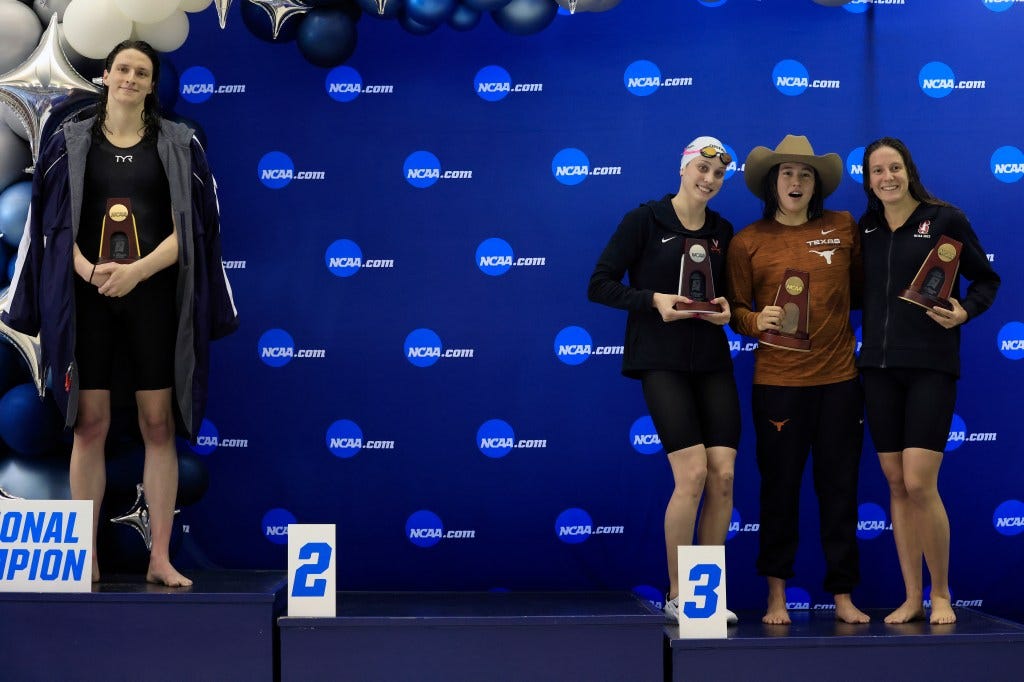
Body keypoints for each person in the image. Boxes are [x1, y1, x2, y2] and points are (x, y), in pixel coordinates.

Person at [2, 40, 238, 586]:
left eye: (142, 72)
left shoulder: (181, 142)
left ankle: (159, 557)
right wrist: (87, 271)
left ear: (153, 85)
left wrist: (136, 271)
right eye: (123, 69)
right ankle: (84, 557)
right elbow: (50, 224)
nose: (131, 78)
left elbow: (197, 231)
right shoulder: (69, 139)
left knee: (159, 426)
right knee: (90, 425)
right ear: (105, 77)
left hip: (154, 300)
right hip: (87, 302)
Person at [589, 136, 740, 625]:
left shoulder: (723, 230)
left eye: (718, 175)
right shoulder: (645, 219)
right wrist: (653, 300)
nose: (709, 180)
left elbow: (731, 300)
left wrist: (726, 312)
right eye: (702, 169)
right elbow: (601, 284)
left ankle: (707, 599)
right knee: (692, 474)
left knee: (723, 477)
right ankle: (681, 595)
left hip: (713, 362)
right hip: (660, 361)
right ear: (683, 167)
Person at [725, 134, 868, 625]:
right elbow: (735, 311)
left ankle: (844, 596)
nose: (796, 181)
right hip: (778, 383)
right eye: (786, 173)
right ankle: (776, 598)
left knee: (840, 490)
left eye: (805, 174)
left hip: (840, 382)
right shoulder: (747, 240)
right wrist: (752, 321)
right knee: (779, 491)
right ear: (771, 182)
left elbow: (870, 288)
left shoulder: (844, 227)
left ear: (817, 184)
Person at [858, 137, 999, 625]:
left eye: (893, 167)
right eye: (876, 171)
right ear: (868, 180)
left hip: (930, 367)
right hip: (875, 370)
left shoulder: (946, 220)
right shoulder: (867, 228)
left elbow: (986, 280)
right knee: (896, 484)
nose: (886, 177)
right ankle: (911, 596)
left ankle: (942, 594)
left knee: (920, 482)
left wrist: (966, 310)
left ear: (908, 170)